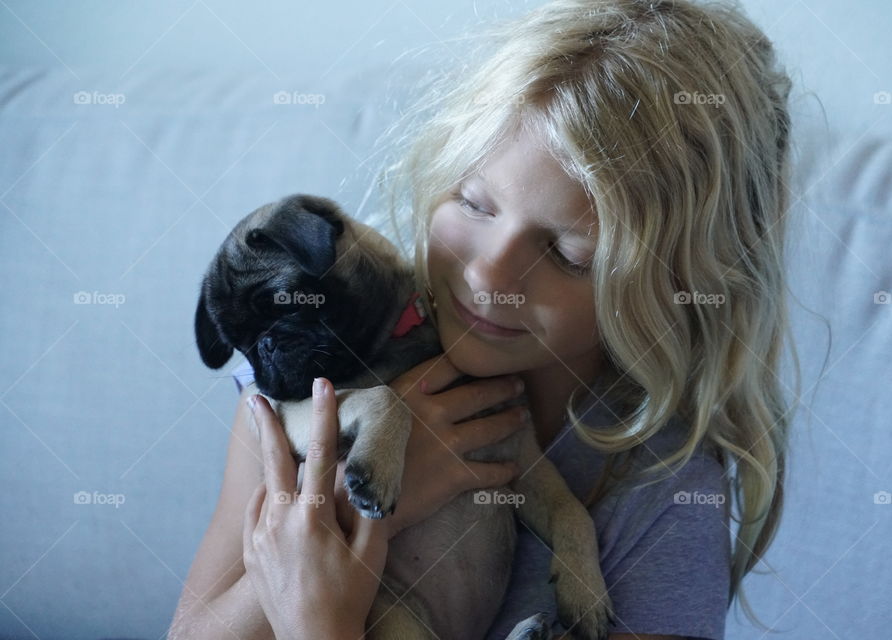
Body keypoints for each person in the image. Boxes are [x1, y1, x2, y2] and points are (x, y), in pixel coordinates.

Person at [169, 0, 798, 638]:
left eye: (567, 253)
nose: (490, 277)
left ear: (677, 285)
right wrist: (356, 514)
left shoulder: (662, 498)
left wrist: (319, 625)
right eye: (474, 202)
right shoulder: (307, 384)